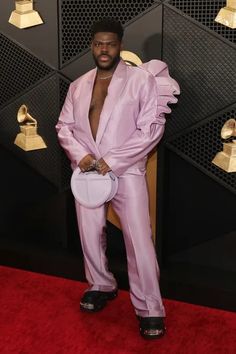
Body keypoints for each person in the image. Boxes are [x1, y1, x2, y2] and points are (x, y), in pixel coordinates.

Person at [56, 18, 179, 339]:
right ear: (92, 46)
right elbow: (63, 127)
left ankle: (150, 307)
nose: (104, 49)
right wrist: (79, 154)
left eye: (110, 43)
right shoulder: (78, 85)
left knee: (139, 241)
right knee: (89, 234)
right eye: (99, 43)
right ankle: (101, 284)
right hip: (86, 172)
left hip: (126, 172)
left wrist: (112, 161)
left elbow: (150, 129)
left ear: (119, 44)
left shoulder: (140, 81)